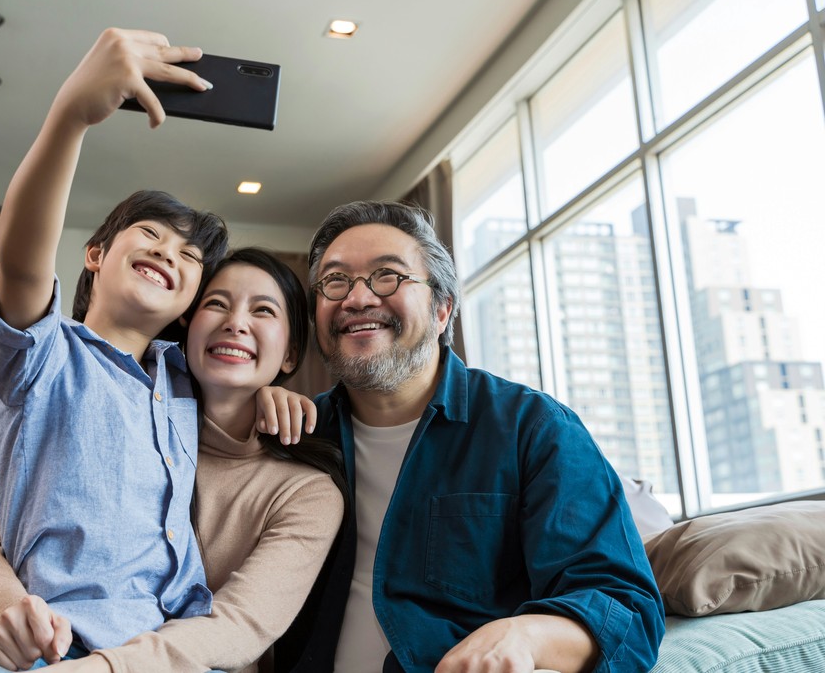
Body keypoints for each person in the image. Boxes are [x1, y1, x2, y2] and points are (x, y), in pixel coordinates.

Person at [0, 26, 240, 667]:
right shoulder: (44, 355)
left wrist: (269, 398)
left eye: (190, 257)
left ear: (188, 303)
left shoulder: (187, 380)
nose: (168, 252)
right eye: (151, 234)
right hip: (47, 645)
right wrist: (72, 116)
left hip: (165, 647)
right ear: (96, 255)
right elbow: (20, 264)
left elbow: (109, 459)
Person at [267, 199, 664, 672]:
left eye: (388, 275)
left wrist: (525, 635)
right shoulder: (299, 436)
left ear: (442, 310)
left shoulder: (531, 427)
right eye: (335, 281)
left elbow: (626, 610)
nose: (357, 299)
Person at [0, 248, 345, 673]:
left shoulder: (307, 492)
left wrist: (104, 669)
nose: (235, 322)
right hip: (56, 648)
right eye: (216, 304)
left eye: (263, 310)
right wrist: (7, 615)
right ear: (187, 327)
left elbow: (239, 623)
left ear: (291, 354)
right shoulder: (124, 433)